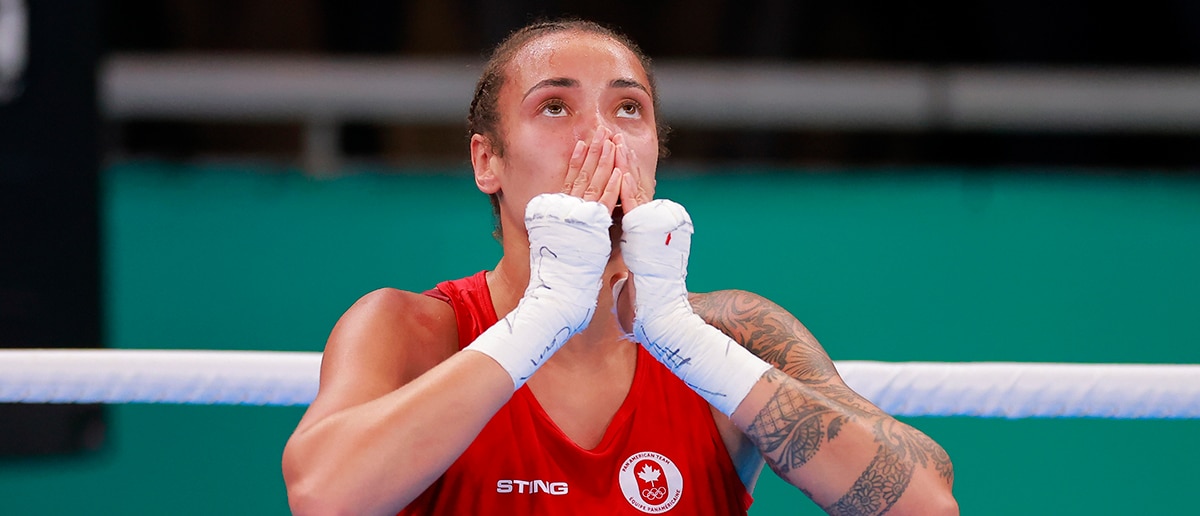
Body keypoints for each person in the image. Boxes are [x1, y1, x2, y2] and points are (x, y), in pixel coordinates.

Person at [282, 18, 958, 516]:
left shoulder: (732, 332)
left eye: (627, 108)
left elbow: (926, 505)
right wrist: (546, 313)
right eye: (555, 106)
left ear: (655, 154)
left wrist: (682, 336)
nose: (600, 137)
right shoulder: (411, 329)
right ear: (488, 161)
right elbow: (323, 495)